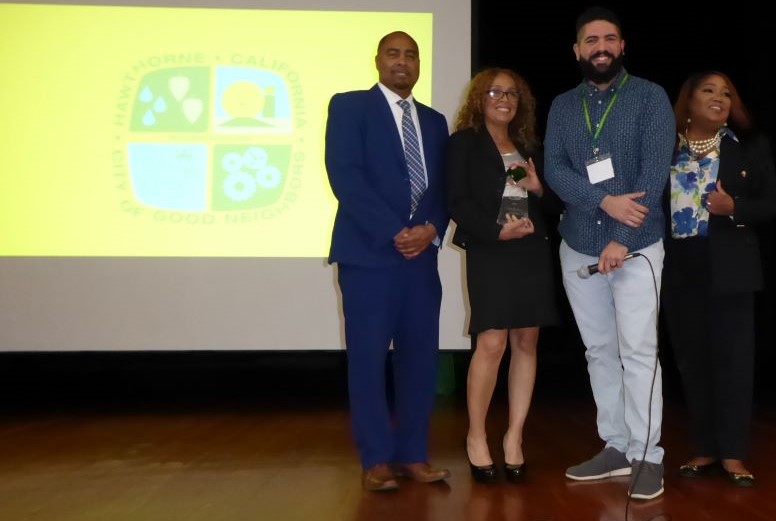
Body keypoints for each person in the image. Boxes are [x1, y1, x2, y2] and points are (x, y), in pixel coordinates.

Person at [543, 7, 675, 500]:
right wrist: (601, 200)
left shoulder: (649, 97)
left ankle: (648, 455)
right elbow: (554, 168)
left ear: (622, 47)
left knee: (638, 351)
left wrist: (622, 236)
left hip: (637, 247)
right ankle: (616, 446)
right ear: (576, 50)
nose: (601, 46)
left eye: (610, 38)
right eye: (591, 39)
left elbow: (653, 169)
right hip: (577, 243)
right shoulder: (562, 106)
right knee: (599, 350)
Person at [324, 31, 451, 492]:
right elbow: (345, 176)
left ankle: (413, 454)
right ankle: (376, 459)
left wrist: (432, 228)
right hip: (369, 256)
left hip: (421, 260)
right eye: (393, 54)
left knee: (420, 359)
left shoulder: (436, 122)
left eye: (411, 55)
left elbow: (444, 189)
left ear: (419, 65)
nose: (402, 62)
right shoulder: (349, 106)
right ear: (377, 60)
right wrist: (394, 231)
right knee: (368, 359)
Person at [662, 71, 776, 487]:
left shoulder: (747, 147)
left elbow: (770, 203)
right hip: (680, 267)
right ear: (688, 101)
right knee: (692, 362)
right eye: (708, 91)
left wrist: (735, 207)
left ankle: (732, 453)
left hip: (730, 267)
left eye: (727, 92)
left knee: (733, 362)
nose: (719, 98)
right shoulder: (665, 148)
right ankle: (705, 447)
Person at [447, 68, 558, 483]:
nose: (504, 98)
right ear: (480, 98)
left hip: (530, 251)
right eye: (495, 91)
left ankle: (514, 437)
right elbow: (455, 200)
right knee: (492, 342)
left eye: (512, 93)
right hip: (492, 249)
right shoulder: (463, 144)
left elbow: (554, 206)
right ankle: (477, 437)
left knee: (526, 340)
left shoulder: (529, 145)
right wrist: (496, 231)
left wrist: (538, 188)